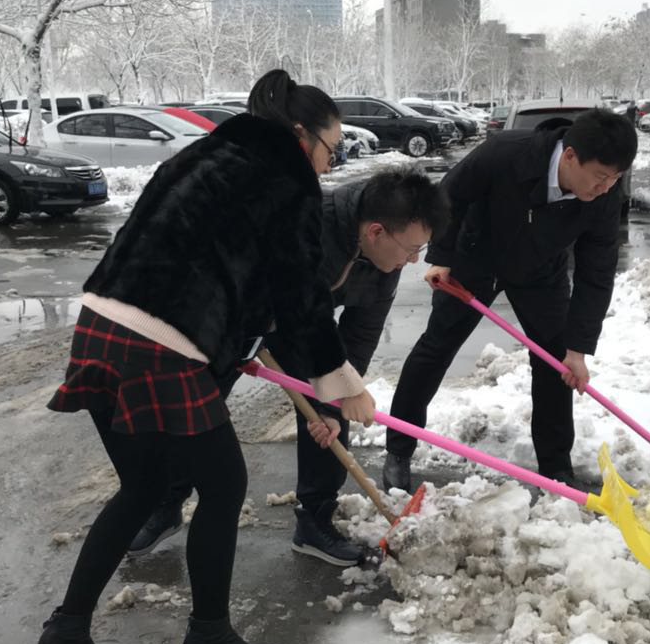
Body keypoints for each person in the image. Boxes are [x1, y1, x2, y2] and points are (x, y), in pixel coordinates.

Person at [34, 69, 375, 644]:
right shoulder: (286, 179)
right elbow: (300, 295)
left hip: (101, 324)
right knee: (223, 486)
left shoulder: (207, 153)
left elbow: (225, 267)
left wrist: (238, 340)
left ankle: (68, 625)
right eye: (333, 148)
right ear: (302, 137)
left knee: (140, 489)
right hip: (160, 341)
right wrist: (340, 383)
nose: (330, 164)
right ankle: (209, 635)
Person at [129, 166, 449, 566]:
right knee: (196, 407)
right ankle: (165, 501)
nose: (413, 260)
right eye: (410, 250)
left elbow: (358, 337)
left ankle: (314, 521)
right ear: (377, 232)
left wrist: (334, 405)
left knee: (334, 403)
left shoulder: (385, 264)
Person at [381, 107, 637, 492]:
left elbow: (596, 272)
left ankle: (555, 469)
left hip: (540, 273)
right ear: (570, 157)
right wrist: (442, 256)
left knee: (555, 365)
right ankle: (399, 449)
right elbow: (450, 195)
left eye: (614, 178)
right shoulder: (505, 152)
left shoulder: (603, 195)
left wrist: (578, 347)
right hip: (474, 261)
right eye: (600, 176)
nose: (605, 187)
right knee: (436, 350)